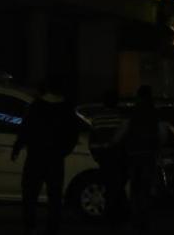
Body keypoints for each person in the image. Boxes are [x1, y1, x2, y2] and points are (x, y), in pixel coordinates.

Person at [12, 76, 81, 235]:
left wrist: (17, 147)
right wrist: (63, 151)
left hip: (36, 156)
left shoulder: (37, 106)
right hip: (55, 158)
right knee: (55, 196)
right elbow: (73, 134)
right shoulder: (66, 108)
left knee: (30, 193)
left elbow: (25, 129)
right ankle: (52, 227)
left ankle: (30, 225)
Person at [88, 90, 130, 226]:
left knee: (109, 186)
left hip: (104, 156)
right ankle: (117, 216)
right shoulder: (121, 117)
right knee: (117, 186)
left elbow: (92, 140)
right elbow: (125, 138)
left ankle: (110, 216)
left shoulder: (97, 118)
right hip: (118, 156)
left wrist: (97, 155)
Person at [124, 85, 160, 232]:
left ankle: (135, 220)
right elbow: (160, 134)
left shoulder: (133, 111)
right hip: (148, 155)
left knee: (135, 188)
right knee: (145, 189)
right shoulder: (153, 112)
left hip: (134, 154)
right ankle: (144, 221)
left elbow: (125, 130)